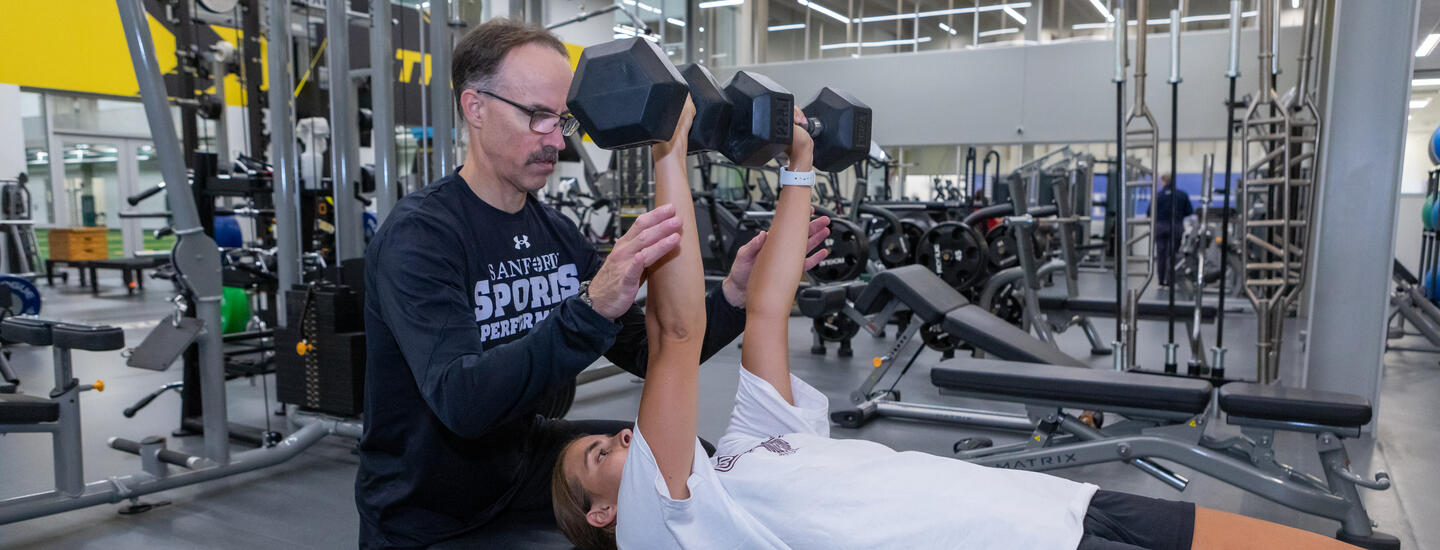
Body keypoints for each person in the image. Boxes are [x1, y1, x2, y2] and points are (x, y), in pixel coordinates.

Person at [550, 106, 1361, 550]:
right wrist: (668, 148)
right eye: (599, 455)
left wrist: (799, 164)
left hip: (1059, 509)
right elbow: (677, 335)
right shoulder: (676, 527)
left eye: (607, 436)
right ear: (604, 517)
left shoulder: (750, 446)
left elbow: (766, 307)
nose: (619, 439)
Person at [356, 20, 830, 549]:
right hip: (427, 506)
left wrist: (735, 298)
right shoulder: (420, 237)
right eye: (538, 117)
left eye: (563, 120)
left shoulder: (556, 234)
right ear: (476, 107)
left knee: (677, 453)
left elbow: (652, 354)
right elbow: (462, 403)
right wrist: (589, 308)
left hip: (523, 458)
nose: (557, 140)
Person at [1155, 173, 1194, 287]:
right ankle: (1169, 280)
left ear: (1164, 182)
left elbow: (1150, 212)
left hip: (1160, 228)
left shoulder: (1158, 195)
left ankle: (1161, 280)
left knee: (1161, 254)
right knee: (1171, 255)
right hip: (1176, 227)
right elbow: (1189, 211)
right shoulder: (1182, 195)